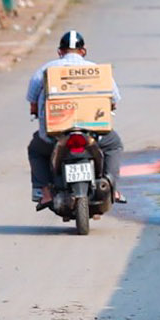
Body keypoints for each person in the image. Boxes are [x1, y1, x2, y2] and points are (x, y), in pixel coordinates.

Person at [26, 29, 122, 206]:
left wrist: (36, 109)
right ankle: (112, 186)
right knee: (114, 145)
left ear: (60, 52)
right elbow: (114, 99)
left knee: (36, 150)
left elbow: (32, 100)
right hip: (93, 132)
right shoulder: (95, 70)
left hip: (54, 134)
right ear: (83, 51)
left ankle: (45, 192)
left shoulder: (46, 70)